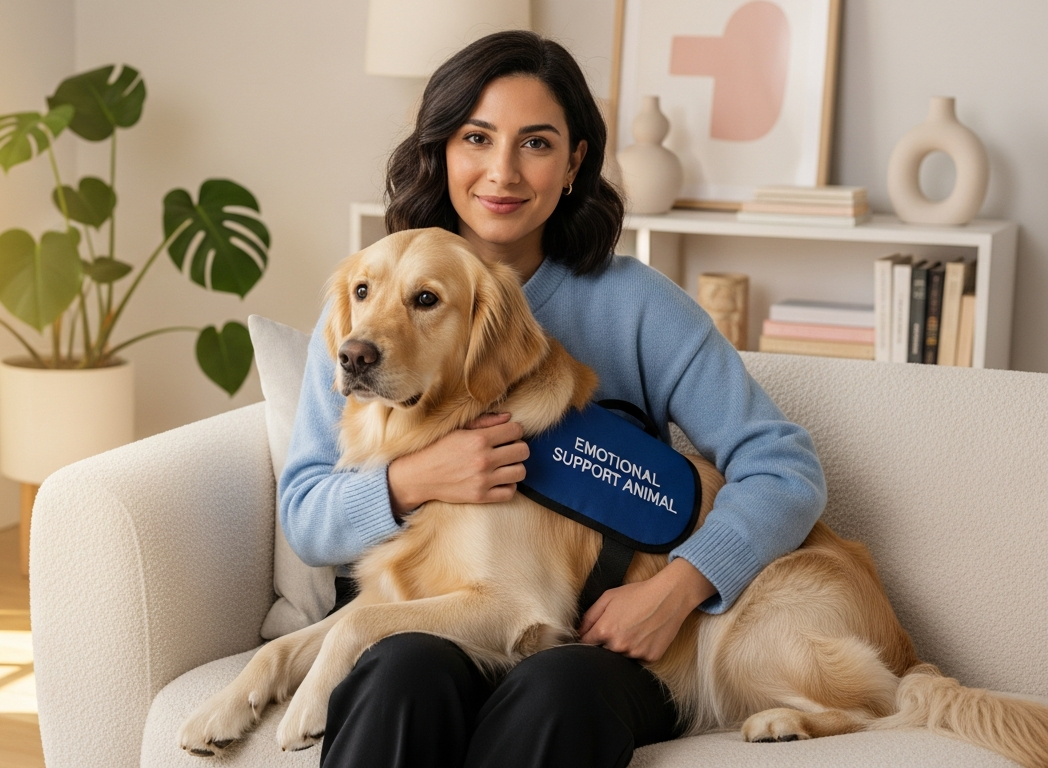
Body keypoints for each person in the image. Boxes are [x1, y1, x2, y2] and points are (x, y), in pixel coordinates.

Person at [277, 30, 827, 768]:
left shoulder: (636, 305)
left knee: (558, 690)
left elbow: (784, 466)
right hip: (443, 618)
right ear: (442, 150)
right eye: (477, 137)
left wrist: (682, 588)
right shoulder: (369, 305)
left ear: (573, 163)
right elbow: (307, 514)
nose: (502, 172)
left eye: (535, 143)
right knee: (400, 670)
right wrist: (412, 480)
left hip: (601, 644)